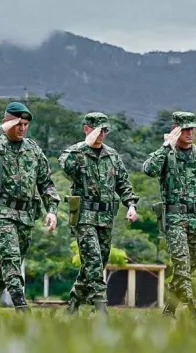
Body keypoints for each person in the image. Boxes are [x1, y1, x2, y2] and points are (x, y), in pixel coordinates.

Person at [0, 102, 60, 312]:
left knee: (7, 263)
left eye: (25, 124)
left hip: (26, 215)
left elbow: (46, 183)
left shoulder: (33, 149)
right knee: (11, 258)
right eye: (18, 123)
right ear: (6, 122)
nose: (22, 128)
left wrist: (52, 210)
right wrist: (0, 129)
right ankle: (21, 306)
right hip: (0, 212)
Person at [143, 111, 196, 319]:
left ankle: (169, 311)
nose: (190, 133)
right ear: (175, 130)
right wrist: (165, 146)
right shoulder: (166, 154)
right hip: (174, 218)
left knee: (188, 267)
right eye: (185, 129)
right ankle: (192, 309)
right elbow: (149, 169)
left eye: (192, 129)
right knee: (181, 263)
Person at [59, 112, 139, 317]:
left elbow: (123, 183)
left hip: (105, 218)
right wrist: (84, 145)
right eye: (98, 129)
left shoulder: (112, 155)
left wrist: (131, 205)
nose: (102, 134)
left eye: (105, 130)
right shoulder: (75, 152)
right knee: (93, 260)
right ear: (87, 129)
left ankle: (74, 303)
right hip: (84, 217)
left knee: (96, 263)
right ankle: (101, 309)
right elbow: (66, 168)